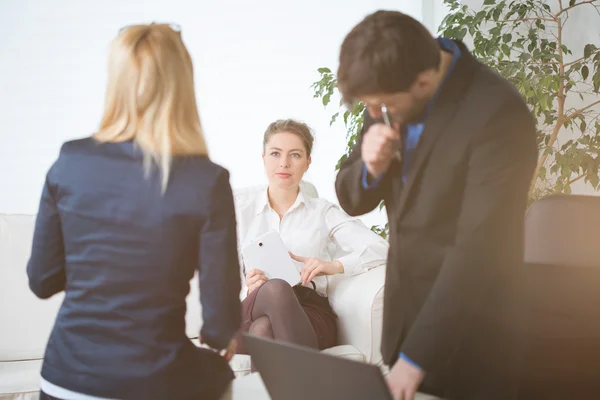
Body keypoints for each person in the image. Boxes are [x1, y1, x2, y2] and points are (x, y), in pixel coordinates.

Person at [26, 23, 240, 400]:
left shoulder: (69, 161)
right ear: (181, 86)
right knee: (218, 376)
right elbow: (221, 325)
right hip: (155, 383)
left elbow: (43, 280)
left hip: (62, 380)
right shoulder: (207, 181)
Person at [334, 11, 537, 400]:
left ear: (423, 81)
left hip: (472, 341)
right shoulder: (388, 86)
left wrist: (417, 358)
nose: (375, 114)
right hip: (403, 330)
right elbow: (350, 197)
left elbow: (478, 249)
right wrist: (370, 168)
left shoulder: (498, 114)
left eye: (380, 106)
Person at [234, 119, 388, 362]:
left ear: (307, 162)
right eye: (275, 153)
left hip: (308, 312)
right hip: (250, 308)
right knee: (272, 291)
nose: (284, 163)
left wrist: (333, 266)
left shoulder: (322, 212)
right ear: (263, 158)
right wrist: (249, 287)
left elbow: (381, 248)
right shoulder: (239, 212)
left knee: (264, 328)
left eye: (295, 155)